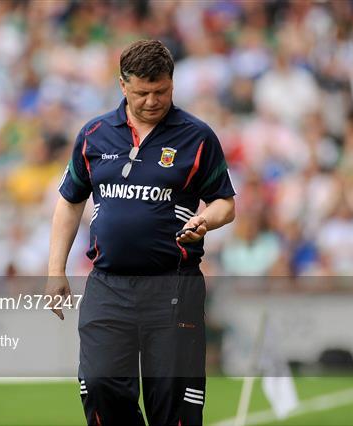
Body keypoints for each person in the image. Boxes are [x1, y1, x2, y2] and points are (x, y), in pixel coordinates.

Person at [47, 40, 236, 426]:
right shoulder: (94, 135)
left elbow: (225, 203)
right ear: (122, 86)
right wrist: (55, 270)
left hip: (173, 287)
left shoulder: (197, 138)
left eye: (161, 91)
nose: (153, 100)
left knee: (172, 404)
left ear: (172, 83)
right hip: (108, 286)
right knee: (100, 386)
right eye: (142, 93)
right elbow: (69, 200)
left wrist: (205, 220)